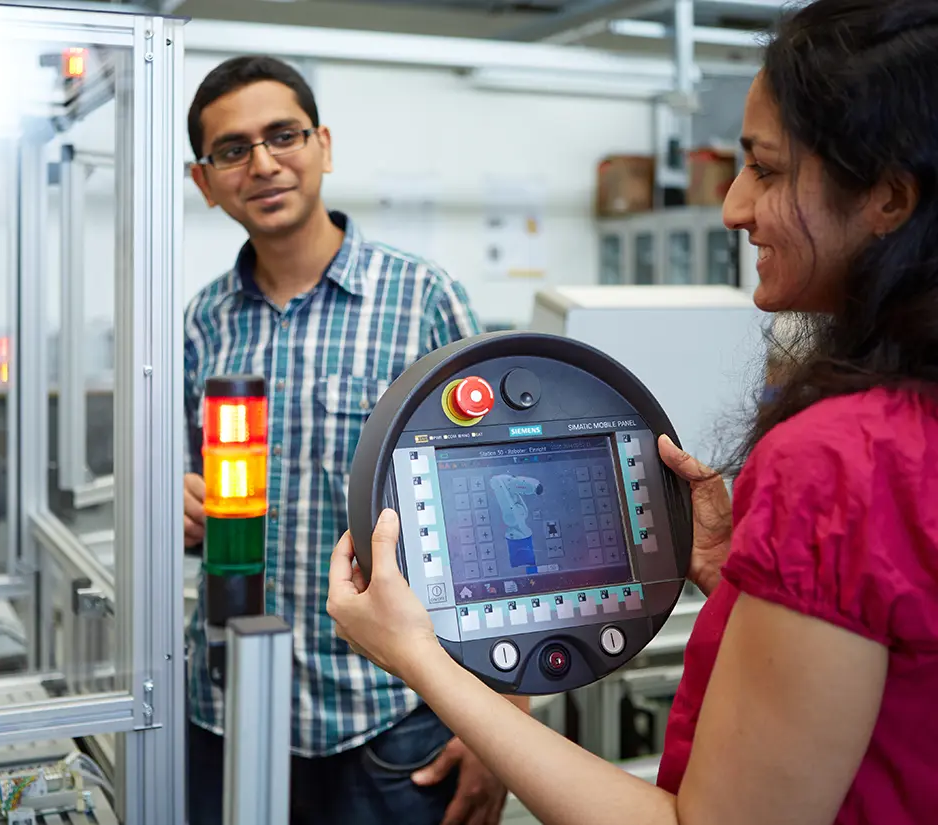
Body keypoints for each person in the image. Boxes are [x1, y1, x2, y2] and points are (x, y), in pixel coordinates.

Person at [326, 1, 938, 823]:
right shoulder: (902, 433)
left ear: (889, 199)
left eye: (764, 168)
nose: (732, 207)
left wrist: (417, 657)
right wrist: (748, 577)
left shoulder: (838, 460)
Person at [181, 55, 525, 825]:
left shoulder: (422, 300)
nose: (263, 163)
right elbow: (176, 479)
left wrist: (501, 716)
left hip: (390, 717)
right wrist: (173, 498)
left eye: (283, 136)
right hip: (227, 713)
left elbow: (501, 504)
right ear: (203, 182)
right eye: (232, 150)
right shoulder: (200, 324)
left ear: (324, 146)